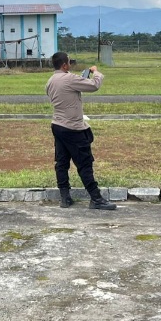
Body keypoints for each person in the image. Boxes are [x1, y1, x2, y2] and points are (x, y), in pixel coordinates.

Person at [45, 51, 116, 210]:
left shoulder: (50, 81)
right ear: (64, 65)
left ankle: (65, 197)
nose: (70, 64)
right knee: (84, 163)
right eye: (69, 62)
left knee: (62, 162)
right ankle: (96, 198)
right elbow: (94, 85)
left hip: (57, 125)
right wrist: (95, 72)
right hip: (73, 128)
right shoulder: (70, 78)